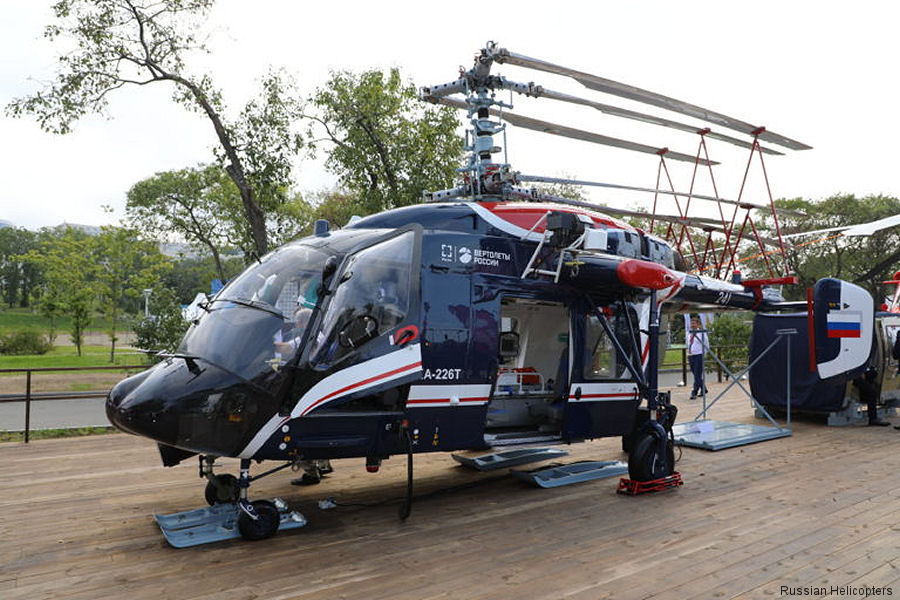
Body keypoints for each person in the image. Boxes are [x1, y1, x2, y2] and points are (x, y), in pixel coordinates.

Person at [686, 315, 708, 399]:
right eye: (691, 323)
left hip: (699, 355)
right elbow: (689, 343)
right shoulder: (689, 333)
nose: (692, 325)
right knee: (695, 374)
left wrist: (704, 354)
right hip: (691, 355)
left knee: (697, 375)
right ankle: (703, 388)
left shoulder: (701, 333)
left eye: (694, 323)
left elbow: (706, 344)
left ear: (698, 325)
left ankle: (694, 392)